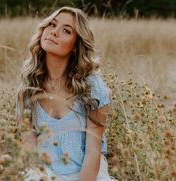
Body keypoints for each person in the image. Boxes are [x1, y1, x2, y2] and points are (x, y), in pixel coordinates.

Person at [16, 6, 118, 181]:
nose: (54, 32)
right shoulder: (28, 87)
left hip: (89, 173)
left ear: (76, 47)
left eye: (66, 31)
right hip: (44, 174)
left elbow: (93, 152)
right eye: (52, 25)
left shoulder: (92, 87)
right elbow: (29, 147)